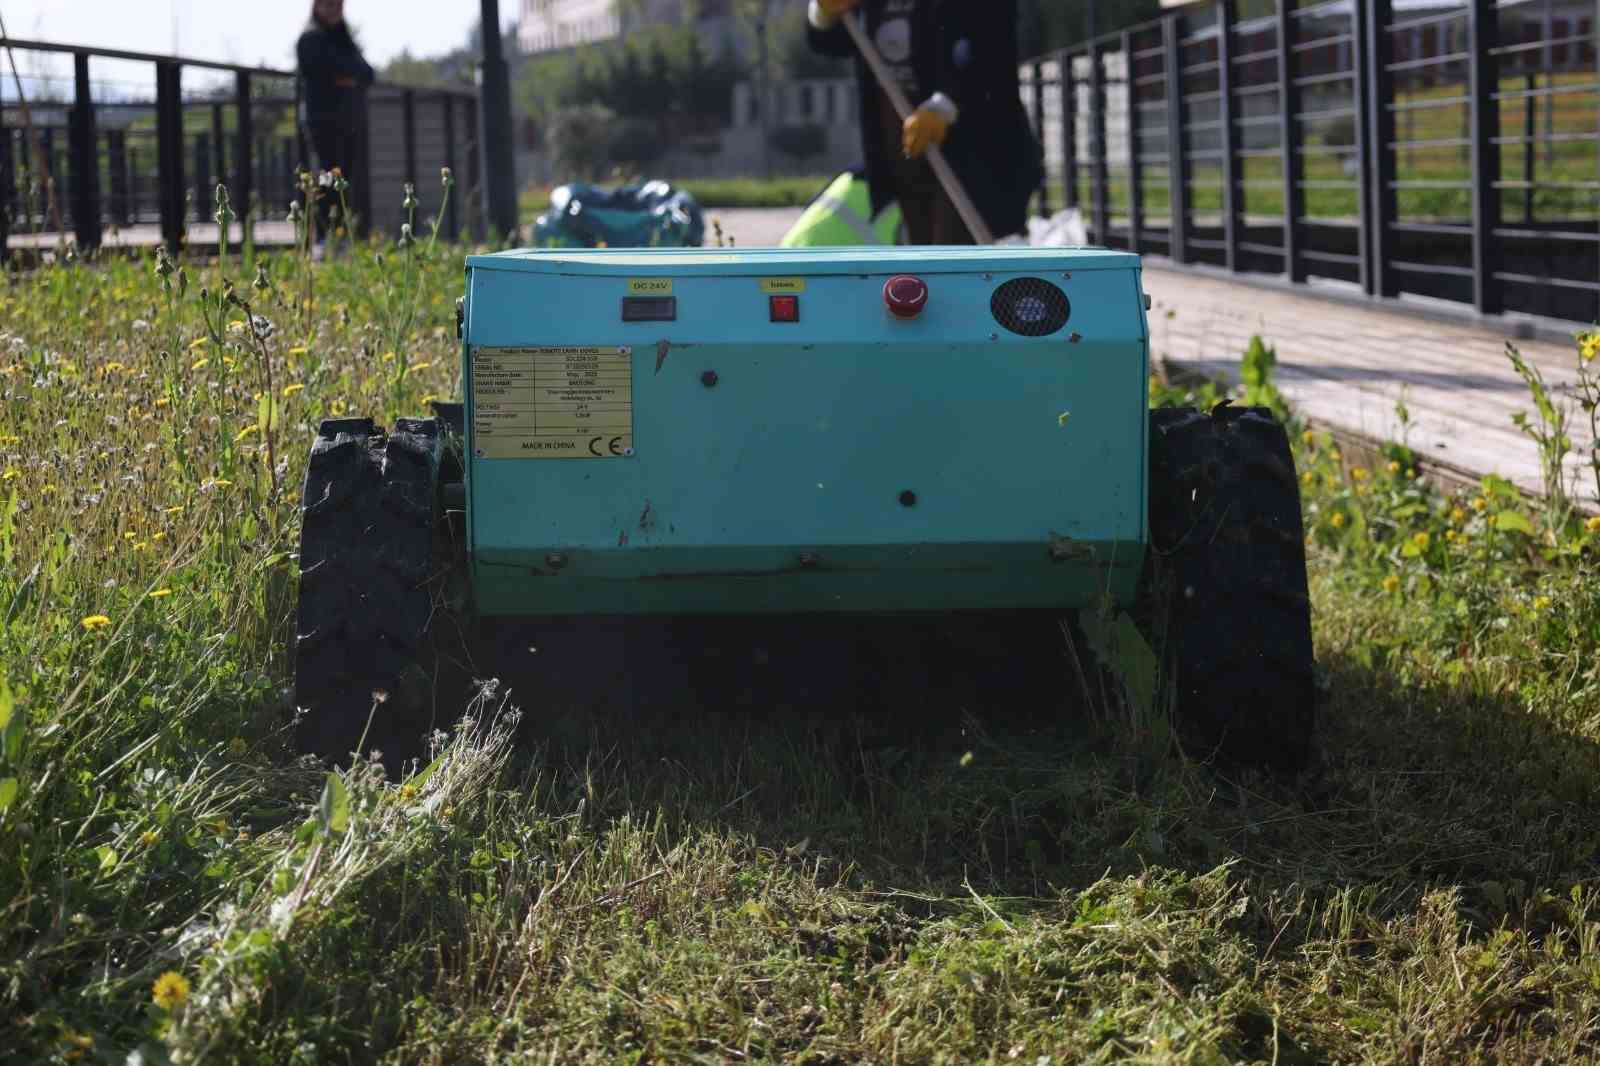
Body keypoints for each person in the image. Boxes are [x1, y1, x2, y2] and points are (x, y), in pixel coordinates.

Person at [806, 0, 1042, 245]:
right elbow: (833, 42)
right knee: (923, 249)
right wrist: (822, 13)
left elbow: (991, 45)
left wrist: (944, 105)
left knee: (960, 252)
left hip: (974, 147)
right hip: (902, 140)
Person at [297, 0, 375, 231]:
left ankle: (341, 233)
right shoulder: (310, 38)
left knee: (345, 181)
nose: (334, 10)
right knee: (327, 179)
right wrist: (347, 77)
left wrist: (346, 77)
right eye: (328, 5)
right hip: (323, 122)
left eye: (338, 5)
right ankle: (322, 234)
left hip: (348, 121)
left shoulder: (342, 38)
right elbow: (322, 73)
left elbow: (367, 73)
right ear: (317, 6)